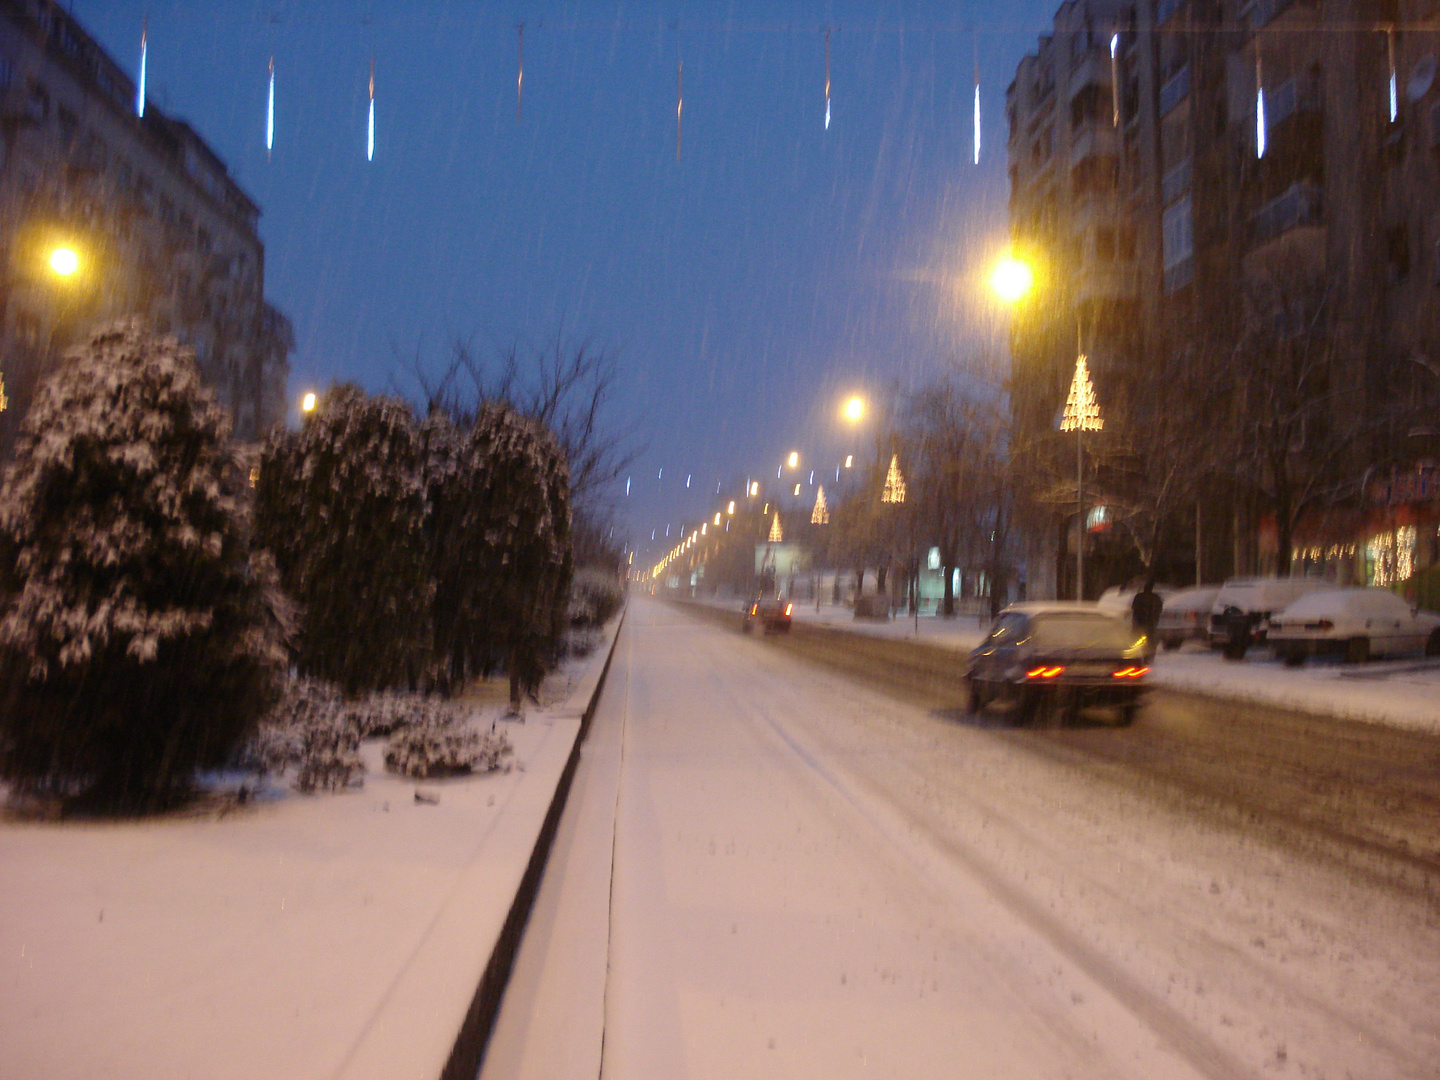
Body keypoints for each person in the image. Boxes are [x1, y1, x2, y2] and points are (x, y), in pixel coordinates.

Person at [1130, 579, 1163, 653]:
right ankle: (1147, 650)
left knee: (1138, 637)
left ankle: (1140, 650)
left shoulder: (1139, 597)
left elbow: (1134, 607)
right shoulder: (1155, 598)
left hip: (1141, 621)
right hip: (1148, 622)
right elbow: (1159, 609)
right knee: (1148, 638)